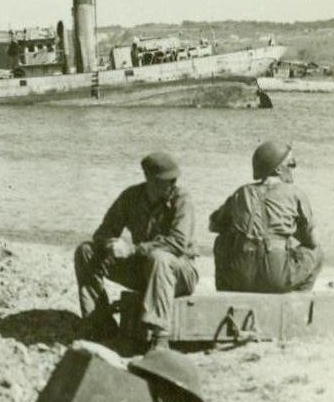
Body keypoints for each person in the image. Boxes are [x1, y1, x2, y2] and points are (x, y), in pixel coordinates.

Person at [74, 152, 200, 351]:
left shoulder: (182, 200)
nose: (173, 184)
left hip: (180, 273)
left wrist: (132, 249)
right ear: (149, 179)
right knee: (85, 251)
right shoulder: (131, 197)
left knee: (159, 258)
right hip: (145, 270)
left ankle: (160, 338)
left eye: (175, 179)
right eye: (167, 180)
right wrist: (112, 245)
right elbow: (102, 233)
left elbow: (177, 244)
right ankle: (100, 324)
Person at [209, 141, 323, 292]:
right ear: (278, 169)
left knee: (222, 241)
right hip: (276, 275)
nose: (293, 168)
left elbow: (214, 225)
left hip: (240, 272)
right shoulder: (295, 193)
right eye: (291, 164)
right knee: (317, 252)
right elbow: (313, 241)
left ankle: (225, 292)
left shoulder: (241, 193)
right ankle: (297, 300)